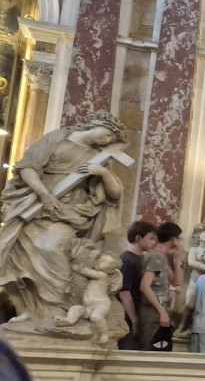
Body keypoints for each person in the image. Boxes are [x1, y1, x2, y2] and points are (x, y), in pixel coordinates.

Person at [0, 111, 126, 324]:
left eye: (112, 139)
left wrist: (102, 173)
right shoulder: (57, 138)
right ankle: (31, 309)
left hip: (70, 210)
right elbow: (28, 166)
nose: (107, 140)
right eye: (107, 134)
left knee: (50, 248)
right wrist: (44, 194)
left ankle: (57, 307)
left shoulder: (100, 157)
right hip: (36, 203)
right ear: (96, 123)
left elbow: (114, 194)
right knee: (19, 254)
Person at [138, 222, 181, 351]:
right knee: (151, 349)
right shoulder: (156, 256)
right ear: (174, 239)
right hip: (152, 310)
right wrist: (162, 312)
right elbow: (145, 286)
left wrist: (178, 259)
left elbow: (177, 281)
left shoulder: (162, 257)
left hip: (158, 309)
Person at [117, 221, 157, 350]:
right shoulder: (127, 260)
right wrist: (134, 319)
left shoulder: (143, 259)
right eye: (151, 238)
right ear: (138, 238)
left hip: (139, 312)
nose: (154, 242)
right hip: (126, 316)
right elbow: (124, 292)